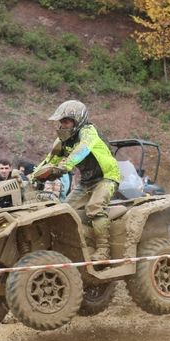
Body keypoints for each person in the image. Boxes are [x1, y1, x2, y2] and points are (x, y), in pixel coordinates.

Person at [32, 100, 121, 260]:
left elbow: (83, 149)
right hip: (86, 182)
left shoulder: (88, 131)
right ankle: (82, 244)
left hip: (107, 177)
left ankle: (104, 250)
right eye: (61, 122)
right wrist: (34, 176)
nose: (62, 125)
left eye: (66, 121)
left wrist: (65, 165)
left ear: (77, 120)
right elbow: (49, 160)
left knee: (94, 207)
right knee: (64, 211)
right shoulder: (62, 141)